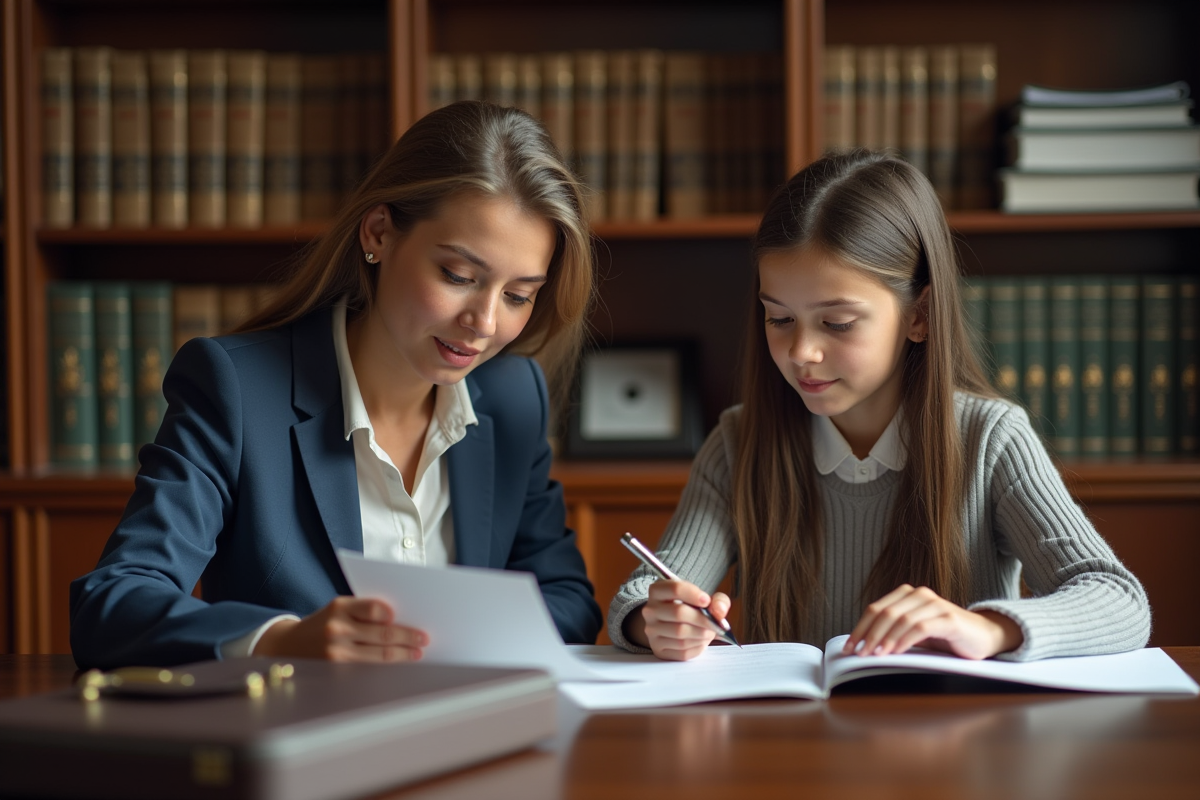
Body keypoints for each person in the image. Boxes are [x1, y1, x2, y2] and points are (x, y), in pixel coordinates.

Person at [71, 101, 603, 669]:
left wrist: (457, 643)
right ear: (378, 233)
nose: (486, 323)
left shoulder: (513, 394)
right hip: (300, 738)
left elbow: (568, 599)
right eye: (458, 276)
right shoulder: (238, 388)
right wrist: (278, 641)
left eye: (519, 295)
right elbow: (114, 602)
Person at [609, 150, 1150, 663]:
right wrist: (653, 620)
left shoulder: (990, 439)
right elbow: (644, 593)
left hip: (955, 747)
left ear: (919, 316)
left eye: (837, 323)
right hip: (790, 749)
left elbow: (1118, 599)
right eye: (779, 318)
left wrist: (987, 629)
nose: (801, 352)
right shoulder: (739, 442)